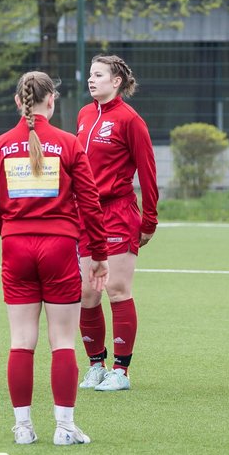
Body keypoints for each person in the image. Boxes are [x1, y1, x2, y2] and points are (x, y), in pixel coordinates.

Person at [0, 71, 109, 445]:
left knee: (21, 340)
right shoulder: (68, 144)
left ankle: (23, 428)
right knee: (62, 342)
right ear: (51, 101)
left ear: (18, 102)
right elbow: (90, 203)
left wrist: (13, 231)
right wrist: (98, 254)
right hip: (59, 249)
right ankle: (65, 428)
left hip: (16, 249)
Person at [75, 54, 158, 393]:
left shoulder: (130, 120)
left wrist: (149, 221)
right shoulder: (83, 114)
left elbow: (148, 172)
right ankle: (96, 365)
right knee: (85, 293)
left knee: (116, 289)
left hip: (118, 213)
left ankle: (121, 372)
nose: (91, 80)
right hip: (84, 215)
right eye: (90, 75)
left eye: (98, 75)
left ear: (116, 81)